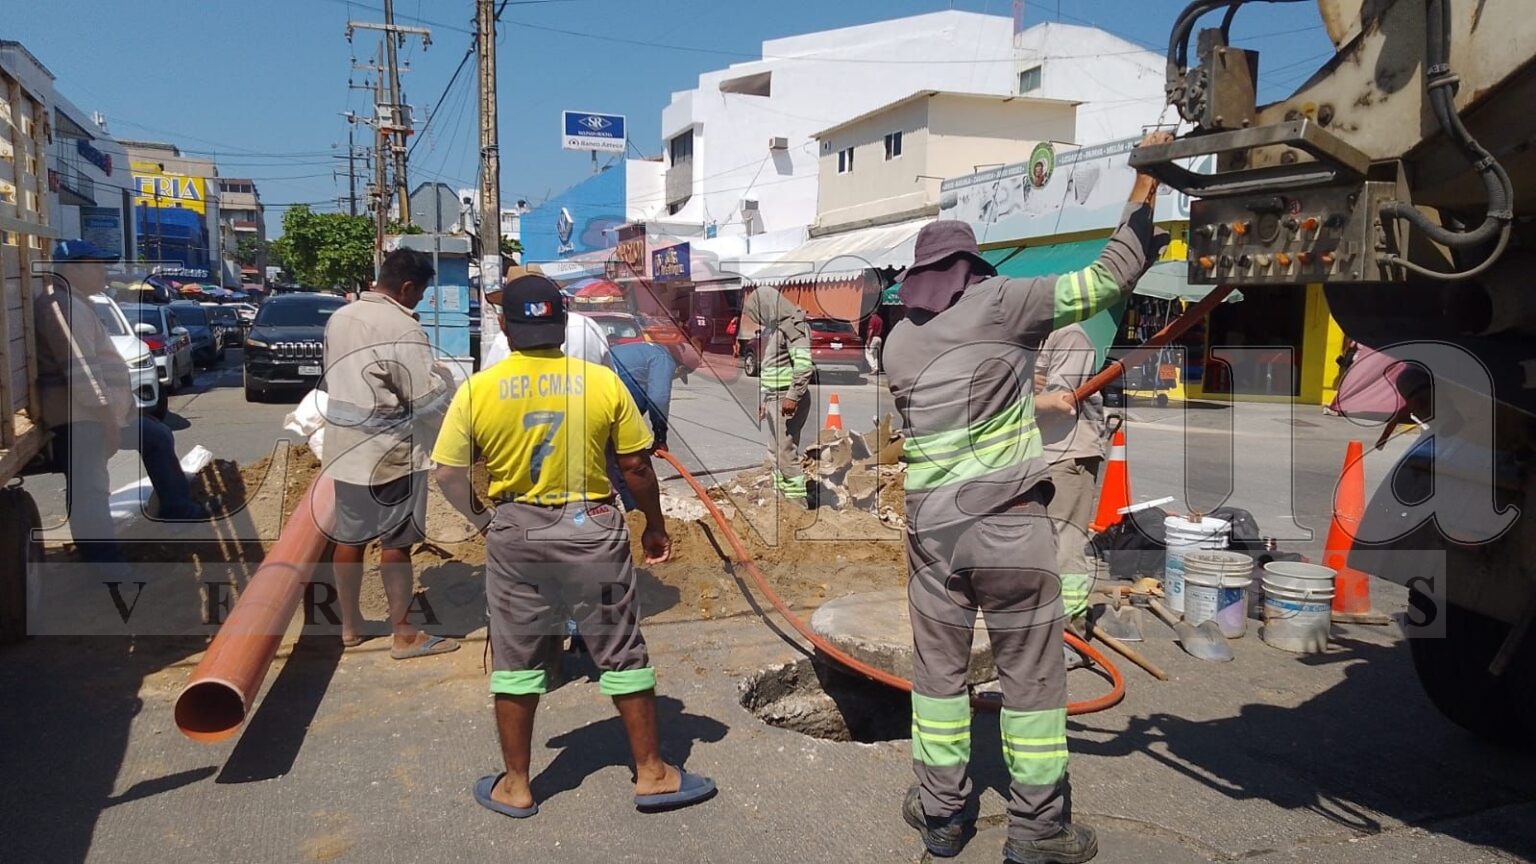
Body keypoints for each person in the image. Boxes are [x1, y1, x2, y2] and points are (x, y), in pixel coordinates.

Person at [884, 131, 1171, 864]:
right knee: (1033, 683)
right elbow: (1106, 280)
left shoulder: (897, 344)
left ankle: (943, 817)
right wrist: (1145, 189)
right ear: (970, 267)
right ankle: (1038, 833)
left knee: (940, 679)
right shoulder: (1003, 303)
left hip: (930, 534)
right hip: (1008, 529)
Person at [432, 273, 716, 818]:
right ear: (562, 322)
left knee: (517, 656)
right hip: (591, 528)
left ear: (505, 327)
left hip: (516, 528)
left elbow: (448, 473)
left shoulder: (478, 389)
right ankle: (653, 773)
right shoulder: (600, 382)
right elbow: (635, 464)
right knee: (620, 646)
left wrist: (487, 522)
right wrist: (654, 525)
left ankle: (516, 784)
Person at [321, 247, 459, 660]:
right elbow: (426, 399)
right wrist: (457, 424)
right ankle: (404, 634)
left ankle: (349, 626)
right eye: (420, 294)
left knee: (350, 538)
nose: (420, 302)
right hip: (391, 452)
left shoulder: (339, 317)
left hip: (346, 448)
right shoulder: (401, 327)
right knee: (396, 542)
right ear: (407, 287)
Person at [37, 242, 206, 573]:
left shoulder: (76, 303)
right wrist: (107, 420)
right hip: (81, 418)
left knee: (156, 436)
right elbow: (81, 372)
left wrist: (123, 411)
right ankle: (106, 566)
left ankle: (177, 507)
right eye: (97, 265)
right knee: (90, 491)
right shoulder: (62, 307)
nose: (104, 271)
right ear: (73, 269)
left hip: (95, 415)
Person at [1034, 325, 1109, 662]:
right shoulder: (1027, 332)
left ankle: (1069, 635)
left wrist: (1012, 397)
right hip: (1038, 452)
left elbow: (1059, 401)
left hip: (1069, 455)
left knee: (1065, 545)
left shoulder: (1070, 335)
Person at [741, 285, 814, 507]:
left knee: (785, 451)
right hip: (775, 398)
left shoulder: (793, 326)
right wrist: (764, 401)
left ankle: (796, 503)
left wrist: (792, 396)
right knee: (774, 451)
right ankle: (781, 498)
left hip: (786, 398)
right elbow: (773, 367)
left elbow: (803, 365)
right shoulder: (777, 328)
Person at [865, 309, 885, 375]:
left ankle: (874, 368)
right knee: (875, 355)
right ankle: (876, 368)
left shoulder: (872, 319)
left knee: (868, 353)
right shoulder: (880, 320)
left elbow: (871, 330)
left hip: (873, 338)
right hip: (879, 338)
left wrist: (868, 339)